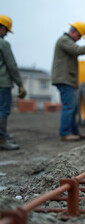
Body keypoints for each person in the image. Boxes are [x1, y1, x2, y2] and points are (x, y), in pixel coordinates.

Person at [0, 15, 26, 150]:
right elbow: (11, 65)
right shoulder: (3, 44)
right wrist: (20, 84)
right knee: (3, 110)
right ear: (3, 28)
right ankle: (2, 140)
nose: (6, 34)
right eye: (6, 31)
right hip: (2, 83)